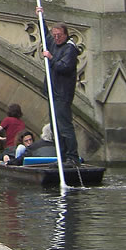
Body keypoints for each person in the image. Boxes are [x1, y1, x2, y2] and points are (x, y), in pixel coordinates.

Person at [40, 20, 81, 165]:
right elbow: (45, 35)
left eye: (59, 35)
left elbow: (64, 67)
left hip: (62, 94)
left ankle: (72, 157)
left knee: (65, 127)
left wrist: (50, 58)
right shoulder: (52, 43)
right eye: (55, 35)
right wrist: (41, 17)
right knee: (55, 127)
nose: (56, 38)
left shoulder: (69, 49)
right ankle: (62, 157)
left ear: (65, 35)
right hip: (52, 92)